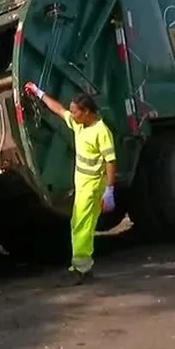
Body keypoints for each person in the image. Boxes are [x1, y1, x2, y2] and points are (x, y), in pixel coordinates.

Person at [23, 82, 116, 285]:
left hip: (92, 187)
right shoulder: (79, 124)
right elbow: (59, 110)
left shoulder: (101, 131)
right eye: (72, 112)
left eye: (75, 112)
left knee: (82, 225)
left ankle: (80, 269)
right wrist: (39, 93)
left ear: (87, 112)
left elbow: (110, 161)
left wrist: (109, 190)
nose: (72, 115)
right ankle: (83, 266)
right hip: (83, 186)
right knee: (79, 224)